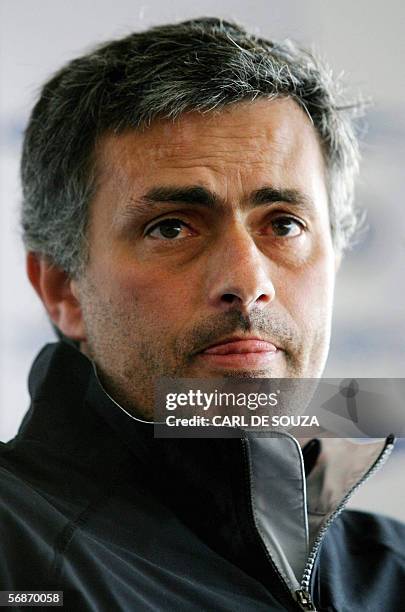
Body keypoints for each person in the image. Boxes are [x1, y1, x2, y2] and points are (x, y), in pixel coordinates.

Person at [1, 17, 404, 611]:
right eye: (172, 227)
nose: (247, 283)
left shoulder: (394, 567)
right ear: (63, 290)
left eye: (284, 225)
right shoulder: (17, 556)